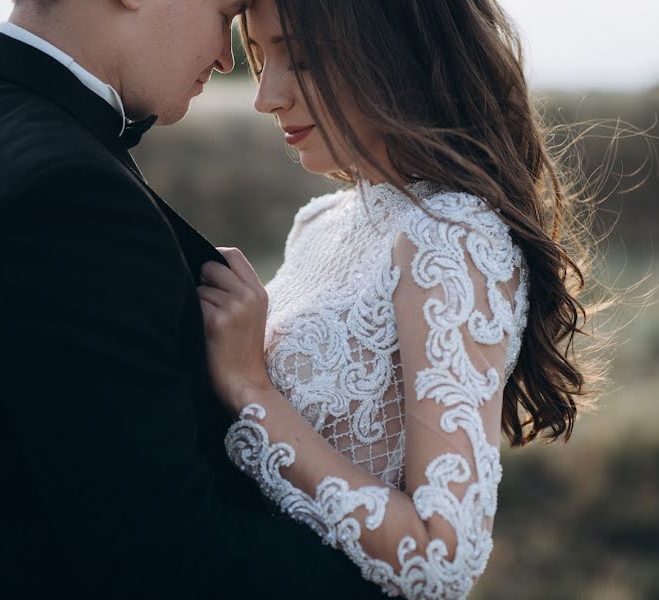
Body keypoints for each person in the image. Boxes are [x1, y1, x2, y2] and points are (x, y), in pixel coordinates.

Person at [0, 1, 390, 598]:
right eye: (222, 13)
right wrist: (384, 577)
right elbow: (164, 557)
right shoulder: (59, 192)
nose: (225, 58)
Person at [196, 1, 613, 598]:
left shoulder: (453, 236)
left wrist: (250, 390)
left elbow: (442, 558)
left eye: (304, 60)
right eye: (261, 59)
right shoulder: (320, 224)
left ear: (391, 54)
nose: (266, 97)